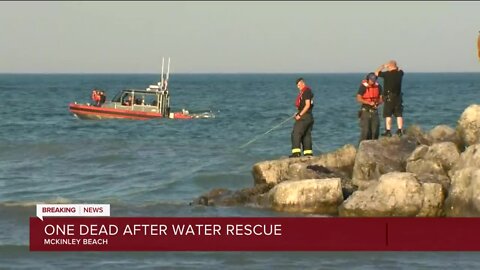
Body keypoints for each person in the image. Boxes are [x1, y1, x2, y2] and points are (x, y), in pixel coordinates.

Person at [375, 60, 405, 137]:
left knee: (388, 114)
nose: (387, 68)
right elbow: (400, 69)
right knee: (399, 114)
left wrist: (383, 66)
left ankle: (388, 131)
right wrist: (395, 66)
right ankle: (400, 130)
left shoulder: (387, 74)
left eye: (388, 67)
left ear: (390, 66)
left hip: (389, 96)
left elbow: (376, 73)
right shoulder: (400, 74)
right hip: (398, 96)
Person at [290, 78, 314, 158]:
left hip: (304, 117)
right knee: (306, 135)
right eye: (297, 86)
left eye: (299, 85)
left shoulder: (306, 92)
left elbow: (307, 105)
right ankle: (308, 154)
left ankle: (296, 153)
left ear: (303, 83)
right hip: (309, 117)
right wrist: (297, 113)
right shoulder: (306, 92)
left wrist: (300, 115)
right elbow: (304, 106)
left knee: (296, 133)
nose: (298, 87)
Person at [356, 73, 383, 143]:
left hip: (375, 111)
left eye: (374, 80)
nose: (373, 82)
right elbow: (358, 98)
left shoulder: (378, 86)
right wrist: (368, 103)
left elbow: (381, 98)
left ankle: (374, 147)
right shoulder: (363, 86)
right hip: (365, 111)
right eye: (371, 80)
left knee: (376, 131)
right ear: (368, 79)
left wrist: (378, 103)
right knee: (366, 131)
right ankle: (361, 148)